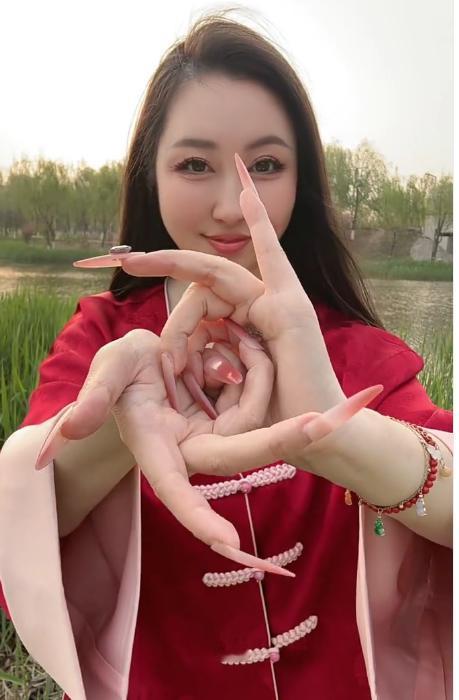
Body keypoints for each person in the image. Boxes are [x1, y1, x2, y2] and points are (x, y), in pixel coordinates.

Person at [0, 12, 452, 700]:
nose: (232, 206)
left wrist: (337, 427)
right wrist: (120, 427)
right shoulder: (102, 343)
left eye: (264, 166)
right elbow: (22, 531)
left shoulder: (350, 349)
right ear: (149, 177)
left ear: (302, 181)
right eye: (194, 165)